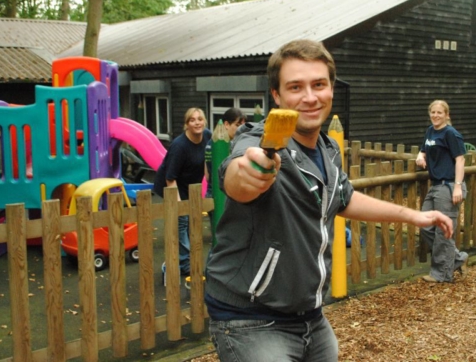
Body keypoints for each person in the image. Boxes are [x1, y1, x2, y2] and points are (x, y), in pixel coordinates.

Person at [204, 39, 453, 362]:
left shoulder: (326, 149)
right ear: (277, 95)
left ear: (331, 89)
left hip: (311, 316)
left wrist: (413, 215)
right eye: (295, 87)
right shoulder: (260, 140)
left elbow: (343, 198)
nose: (310, 97)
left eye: (318, 84)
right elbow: (237, 176)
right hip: (250, 319)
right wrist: (251, 174)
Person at [415, 100, 469, 283]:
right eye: (433, 112)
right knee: (424, 225)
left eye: (440, 113)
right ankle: (457, 258)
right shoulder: (430, 131)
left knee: (442, 231)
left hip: (448, 186)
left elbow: (460, 160)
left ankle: (441, 275)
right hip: (436, 185)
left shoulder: (451, 133)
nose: (436, 115)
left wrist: (457, 186)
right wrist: (420, 156)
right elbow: (424, 149)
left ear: (446, 115)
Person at [154, 107, 211, 277]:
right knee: (182, 222)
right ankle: (185, 263)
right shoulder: (179, 146)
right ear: (187, 125)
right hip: (172, 185)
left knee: (191, 224)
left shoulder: (207, 136)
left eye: (199, 119)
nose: (197, 123)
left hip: (190, 186)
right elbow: (170, 178)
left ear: (204, 121)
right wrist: (178, 205)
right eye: (192, 120)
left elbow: (208, 158)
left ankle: (182, 258)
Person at [204, 107, 248, 201]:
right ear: (226, 124)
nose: (241, 129)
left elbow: (207, 175)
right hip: (222, 195)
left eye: (243, 126)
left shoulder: (210, 143)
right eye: (237, 125)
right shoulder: (225, 145)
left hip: (211, 192)